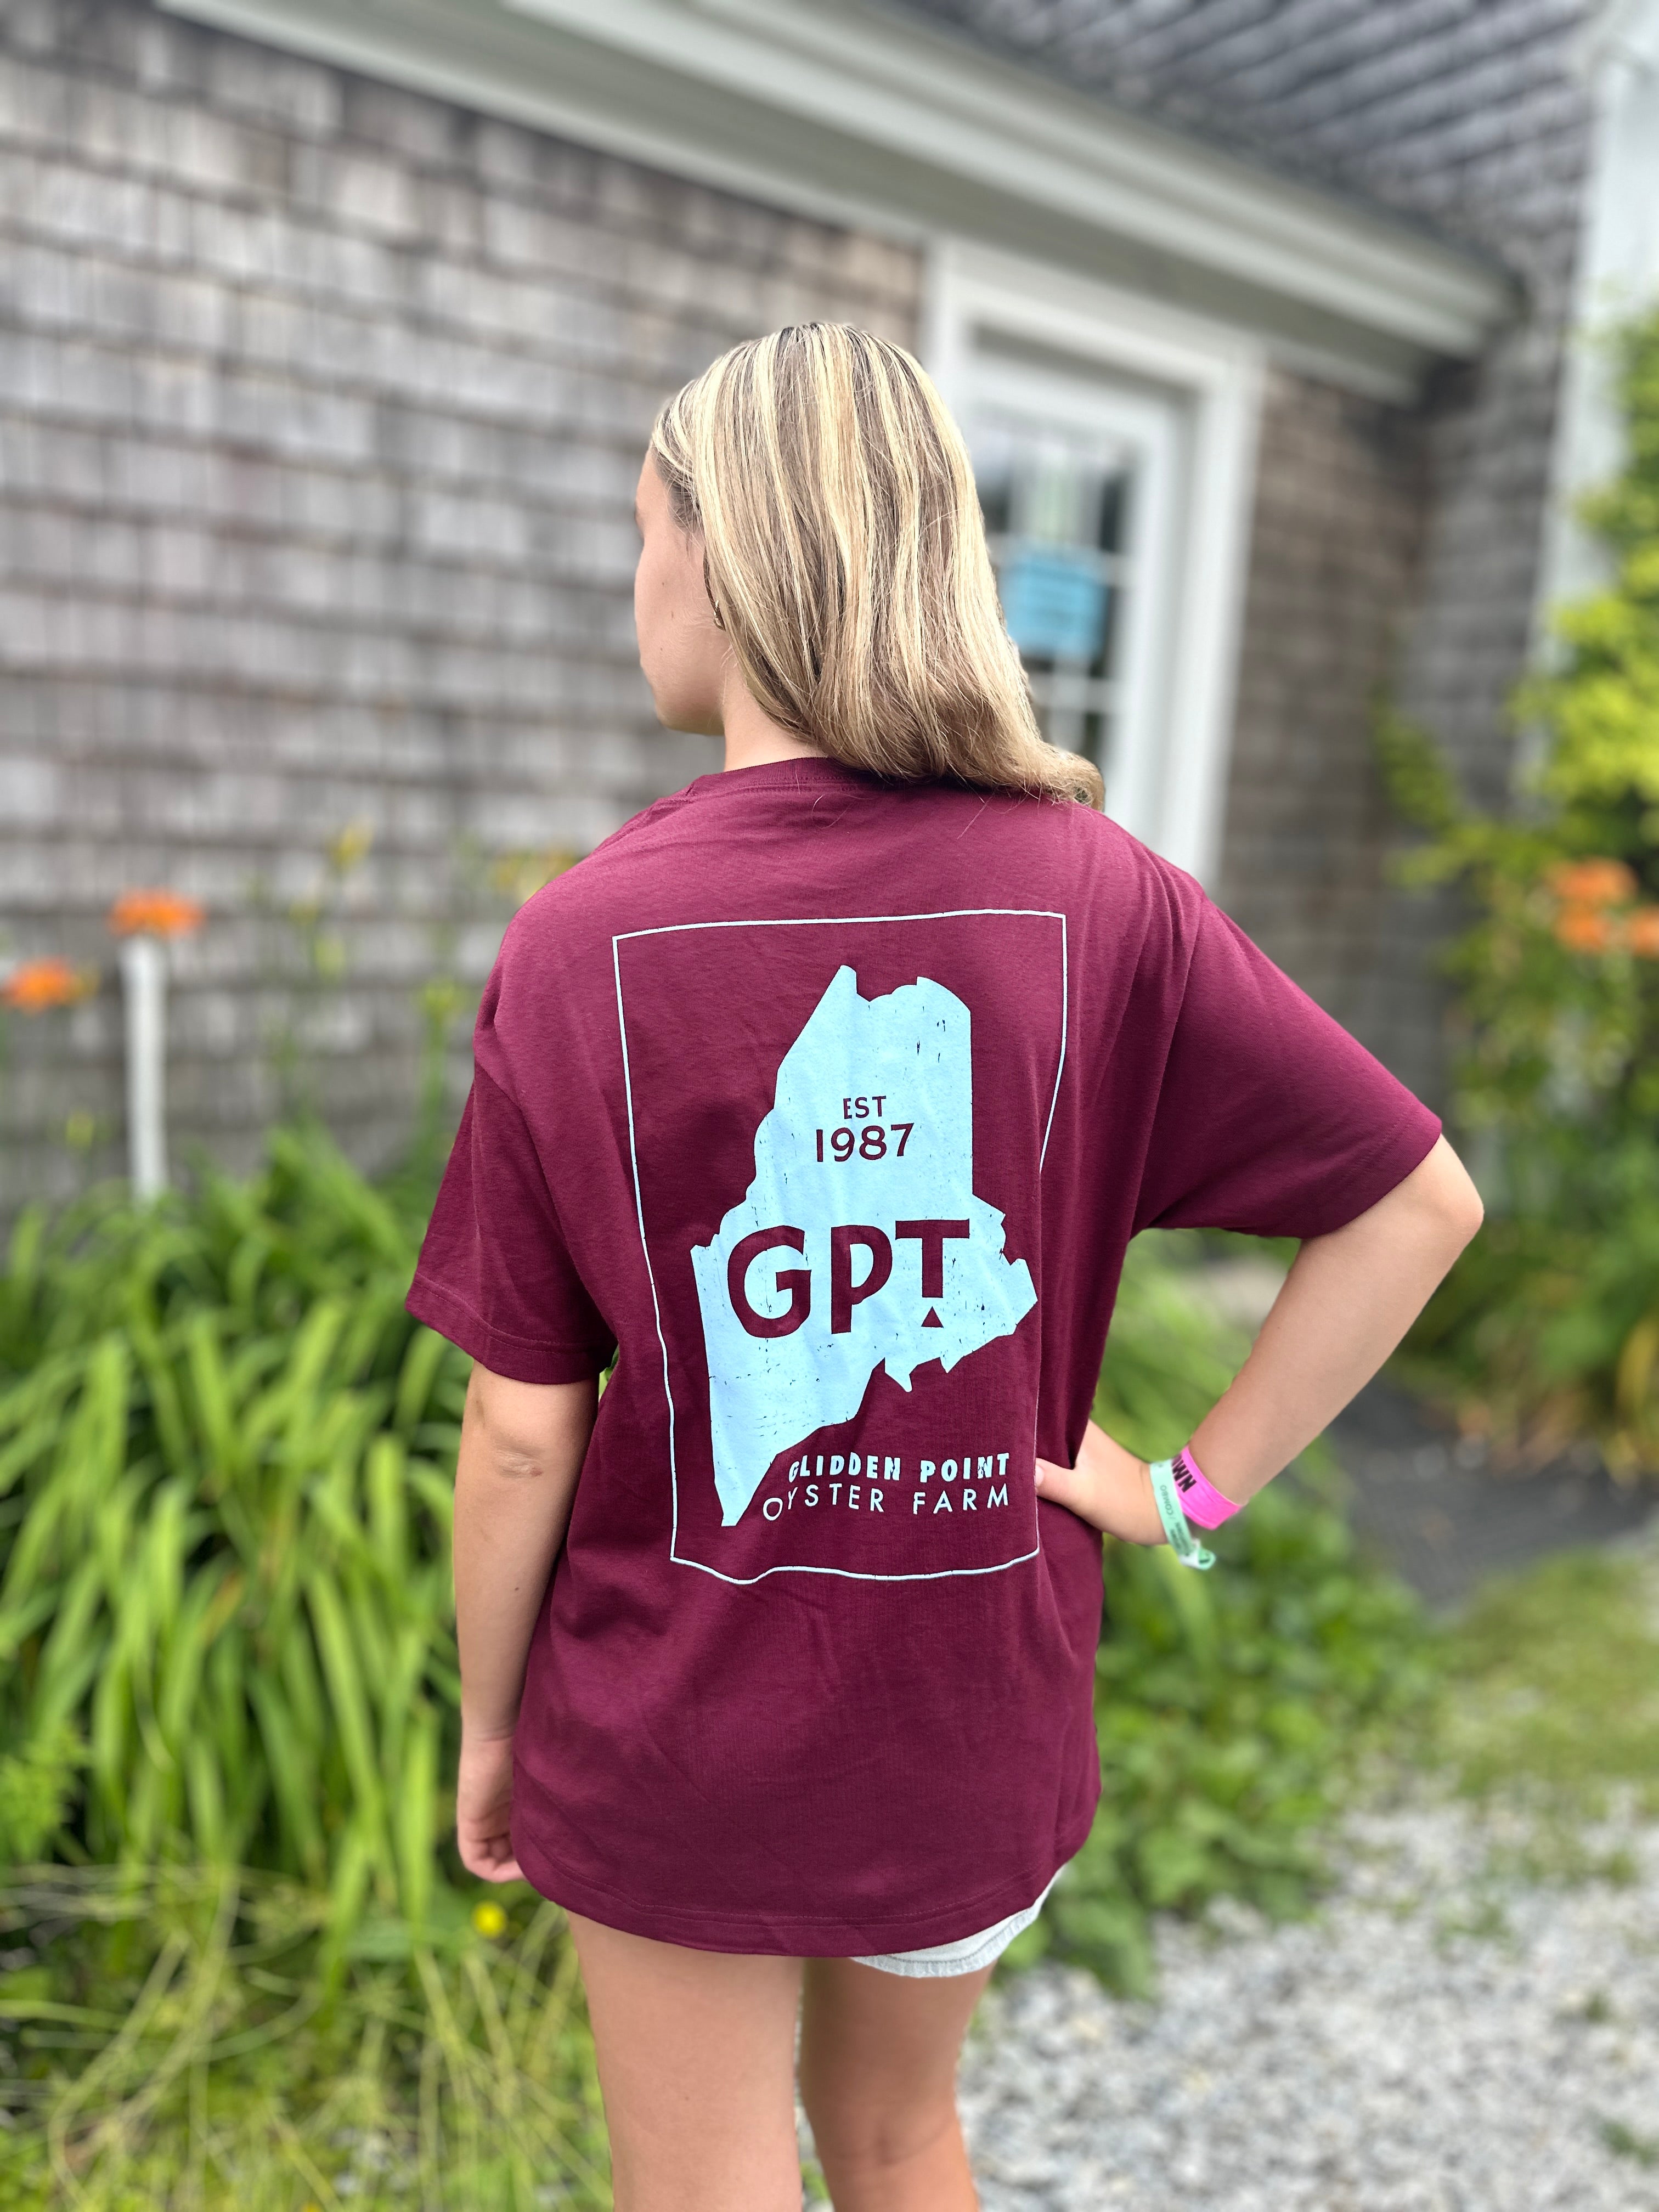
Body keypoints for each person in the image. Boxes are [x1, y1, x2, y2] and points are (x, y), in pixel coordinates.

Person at [407, 323, 1482, 2211]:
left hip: (675, 1733)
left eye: (644, 528)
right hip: (970, 1721)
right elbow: (1417, 1205)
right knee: (903, 2139)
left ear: (725, 559)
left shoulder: (582, 941)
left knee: (706, 2179)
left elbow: (518, 1434)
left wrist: (495, 1729)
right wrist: (1189, 1493)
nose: (631, 575)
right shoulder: (1101, 896)